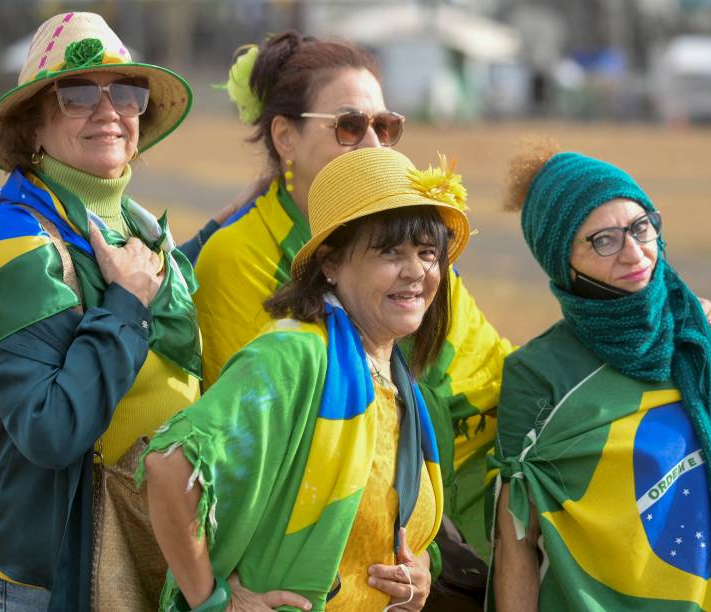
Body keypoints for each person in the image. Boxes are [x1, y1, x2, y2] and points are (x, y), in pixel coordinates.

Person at [179, 31, 512, 580]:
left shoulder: (413, 250)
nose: (375, 146)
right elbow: (267, 438)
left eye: (386, 127)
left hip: (408, 539)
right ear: (285, 136)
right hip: (297, 562)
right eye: (350, 126)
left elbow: (492, 372)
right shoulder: (236, 254)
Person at [0, 12, 203, 610]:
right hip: (50, 577)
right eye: (78, 92)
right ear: (33, 121)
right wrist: (127, 305)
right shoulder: (9, 240)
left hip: (149, 555)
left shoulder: (140, 228)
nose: (109, 110)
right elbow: (51, 427)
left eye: (127, 92)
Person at [143, 147, 472, 611]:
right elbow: (169, 465)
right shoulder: (293, 354)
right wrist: (214, 601)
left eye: (427, 252)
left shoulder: (395, 377)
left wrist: (415, 576)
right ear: (331, 264)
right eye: (390, 251)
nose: (417, 271)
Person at [489, 142, 711, 611]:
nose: (634, 252)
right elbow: (516, 537)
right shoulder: (537, 373)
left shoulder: (708, 342)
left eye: (641, 226)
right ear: (562, 260)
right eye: (604, 240)